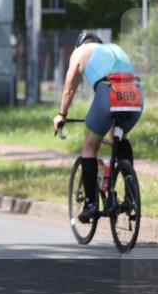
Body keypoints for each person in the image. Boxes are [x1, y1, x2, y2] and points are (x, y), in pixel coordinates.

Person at [53, 31, 144, 223]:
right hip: (135, 92)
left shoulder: (80, 52)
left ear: (79, 44)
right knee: (120, 136)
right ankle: (131, 196)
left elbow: (69, 89)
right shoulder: (115, 48)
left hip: (109, 90)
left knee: (90, 145)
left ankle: (91, 205)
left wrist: (62, 115)